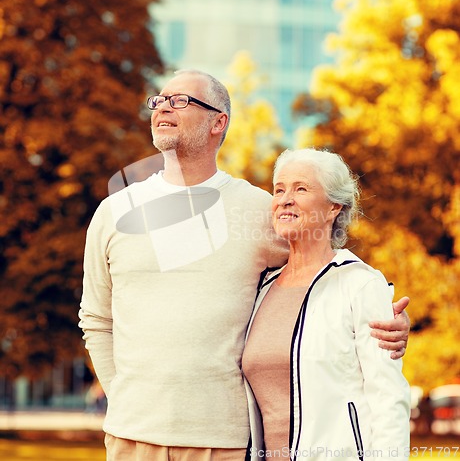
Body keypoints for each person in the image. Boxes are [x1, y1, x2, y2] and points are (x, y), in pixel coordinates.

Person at [78, 70, 410, 461]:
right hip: (130, 437)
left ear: (218, 122)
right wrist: (124, 399)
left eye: (180, 100)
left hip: (225, 442)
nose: (163, 106)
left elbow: (318, 270)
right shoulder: (114, 211)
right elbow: (97, 320)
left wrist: (383, 320)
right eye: (159, 100)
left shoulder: (258, 210)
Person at [242, 148, 411, 460]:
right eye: (279, 189)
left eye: (301, 188)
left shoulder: (360, 284)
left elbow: (389, 399)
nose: (284, 199)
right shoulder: (260, 288)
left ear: (334, 206)